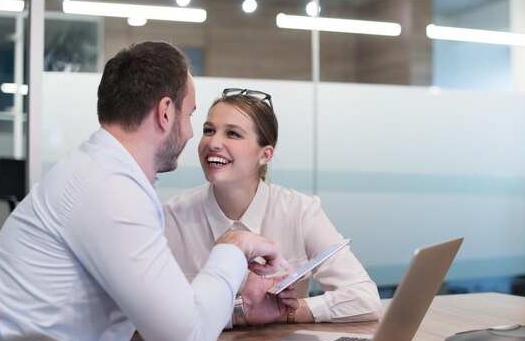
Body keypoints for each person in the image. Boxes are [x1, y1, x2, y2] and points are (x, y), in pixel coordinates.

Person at [0, 42, 296, 341]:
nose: (193, 133)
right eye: (191, 115)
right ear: (165, 112)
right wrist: (234, 245)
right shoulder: (109, 190)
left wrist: (240, 309)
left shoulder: (103, 174)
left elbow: (169, 314)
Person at [163, 88, 381, 325]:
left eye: (233, 134)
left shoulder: (300, 211)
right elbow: (153, 313)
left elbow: (365, 298)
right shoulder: (172, 217)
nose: (213, 142)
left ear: (265, 155)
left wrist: (288, 312)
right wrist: (242, 313)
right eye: (209, 130)